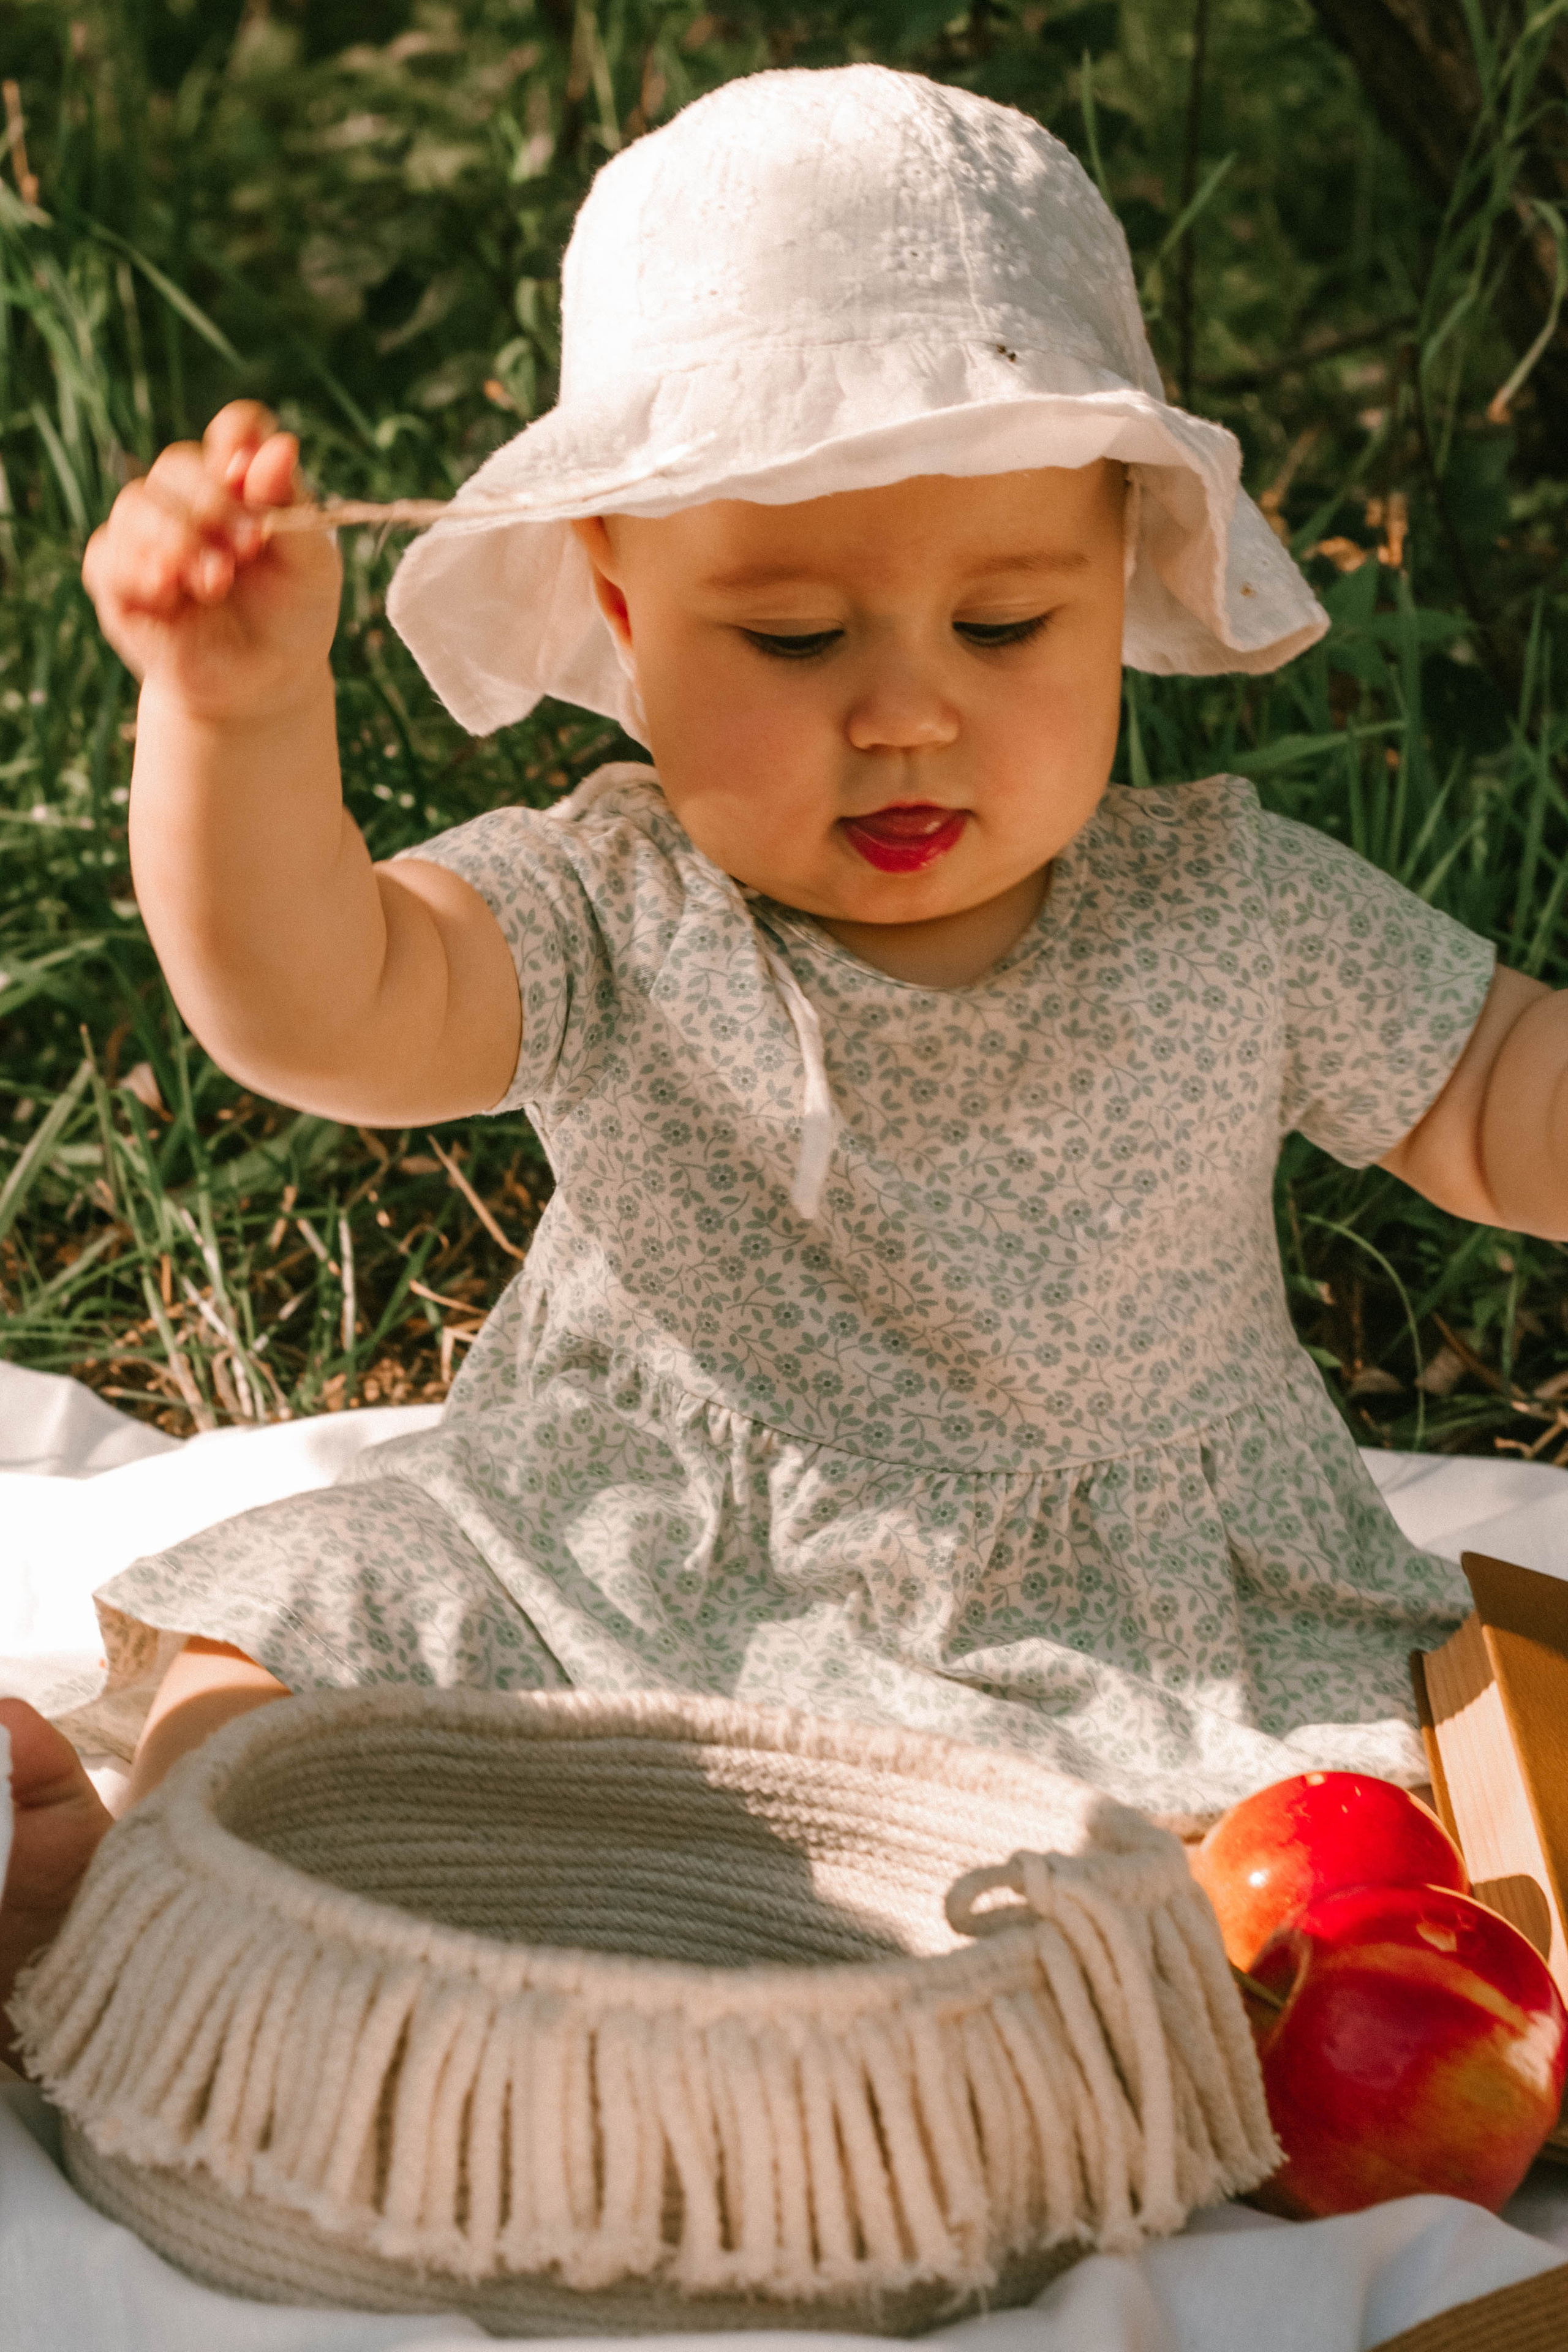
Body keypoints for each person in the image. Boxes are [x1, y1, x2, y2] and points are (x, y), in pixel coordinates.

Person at [4, 65, 1566, 2030]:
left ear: (1123, 583)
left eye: (1005, 625)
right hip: (610, 1541)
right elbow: (324, 1007)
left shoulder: (1231, 913)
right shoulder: (616, 905)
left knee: (1255, 1894)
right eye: (796, 641)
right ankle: (144, 1879)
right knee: (317, 1630)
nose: (906, 715)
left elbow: (1506, 1097)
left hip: (1102, 1615)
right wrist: (231, 723)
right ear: (620, 608)